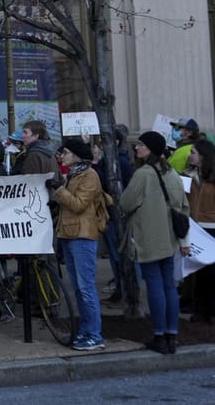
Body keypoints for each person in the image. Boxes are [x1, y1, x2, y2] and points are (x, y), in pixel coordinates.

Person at [119, 131, 190, 355]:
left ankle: (159, 336)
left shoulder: (143, 174)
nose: (137, 148)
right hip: (170, 239)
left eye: (141, 145)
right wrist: (184, 241)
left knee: (155, 287)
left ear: (151, 149)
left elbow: (125, 203)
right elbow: (183, 208)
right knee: (169, 285)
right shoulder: (173, 174)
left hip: (149, 238)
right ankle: (171, 335)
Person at [47, 137, 107, 351]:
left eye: (65, 152)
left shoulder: (90, 175)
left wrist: (59, 190)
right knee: (79, 289)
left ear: (76, 155)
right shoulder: (74, 174)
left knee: (86, 288)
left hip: (83, 236)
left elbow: (79, 204)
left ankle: (95, 335)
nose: (62, 156)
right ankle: (85, 330)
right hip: (70, 234)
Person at [186, 139, 215, 323]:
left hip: (212, 229)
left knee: (212, 274)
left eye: (193, 152)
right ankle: (200, 311)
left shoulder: (212, 179)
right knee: (199, 272)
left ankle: (210, 312)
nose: (190, 155)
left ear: (203, 156)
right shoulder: (189, 176)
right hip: (195, 229)